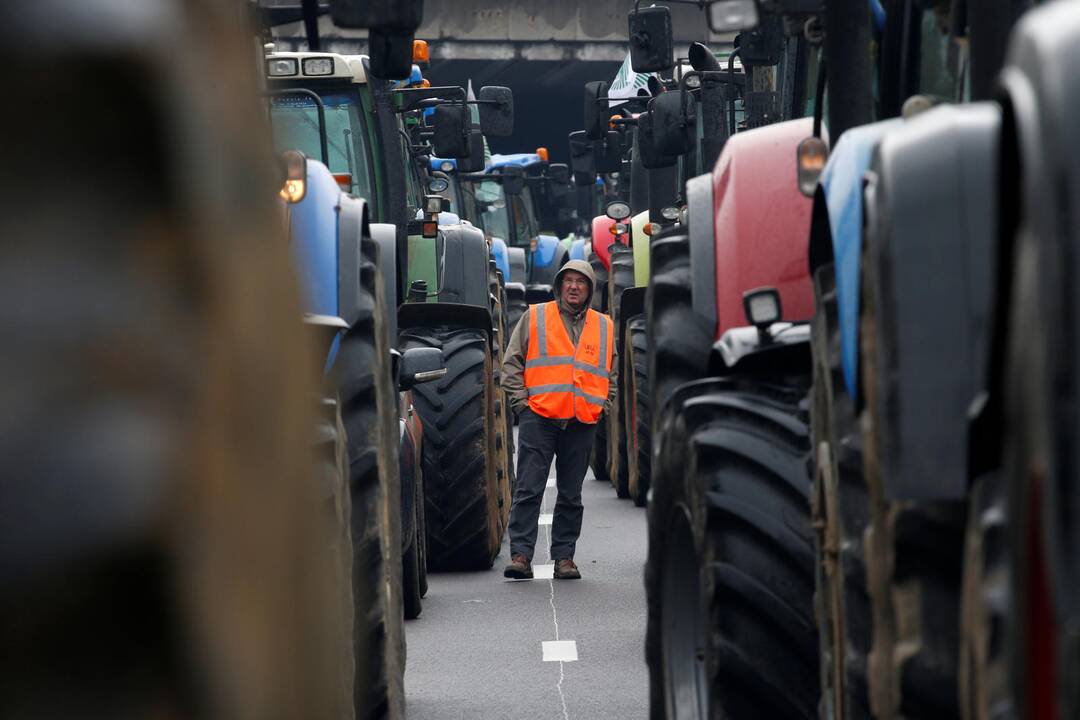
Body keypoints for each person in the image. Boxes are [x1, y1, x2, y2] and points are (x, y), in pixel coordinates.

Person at [500, 259, 617, 580]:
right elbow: (511, 364)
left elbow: (613, 374)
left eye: (581, 282)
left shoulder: (604, 326)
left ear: (590, 289)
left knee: (570, 494)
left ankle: (564, 558)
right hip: (539, 418)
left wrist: (602, 406)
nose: (574, 287)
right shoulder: (535, 318)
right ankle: (521, 556)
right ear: (559, 286)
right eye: (568, 281)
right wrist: (522, 405)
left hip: (581, 422)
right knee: (528, 488)